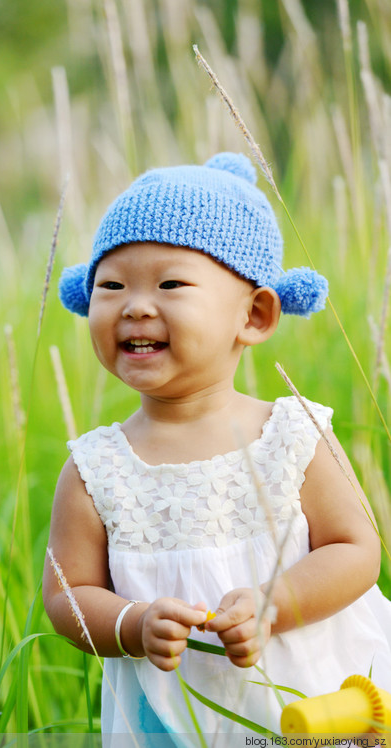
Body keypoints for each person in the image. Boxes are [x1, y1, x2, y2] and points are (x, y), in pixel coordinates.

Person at [42, 152, 391, 745]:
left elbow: (357, 550)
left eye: (170, 283)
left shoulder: (292, 433)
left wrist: (274, 603)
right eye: (111, 284)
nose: (135, 304)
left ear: (254, 315)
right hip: (172, 720)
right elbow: (68, 593)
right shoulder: (95, 467)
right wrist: (132, 624)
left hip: (312, 703)